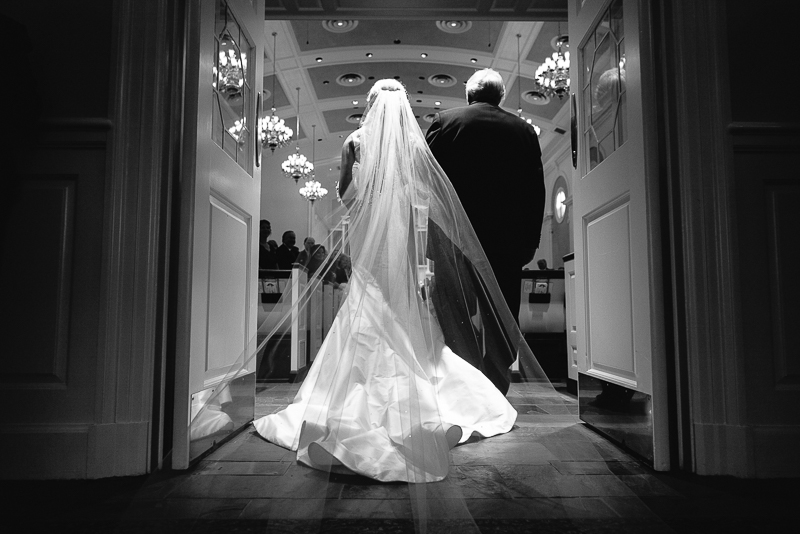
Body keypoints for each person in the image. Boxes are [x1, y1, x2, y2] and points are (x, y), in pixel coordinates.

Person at [250, 79, 552, 483]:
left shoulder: (355, 142)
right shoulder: (414, 145)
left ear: (371, 107)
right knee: (428, 312)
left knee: (369, 305)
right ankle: (476, 385)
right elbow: (427, 196)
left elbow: (346, 196)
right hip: (413, 238)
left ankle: (357, 396)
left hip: (369, 243)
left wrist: (370, 204)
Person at [425, 68, 546, 394]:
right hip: (507, 242)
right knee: (503, 314)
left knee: (455, 310)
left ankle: (462, 384)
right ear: (501, 97)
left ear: (468, 95)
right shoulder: (523, 130)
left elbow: (428, 182)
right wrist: (530, 241)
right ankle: (496, 385)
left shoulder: (445, 122)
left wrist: (430, 236)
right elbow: (535, 191)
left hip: (456, 239)